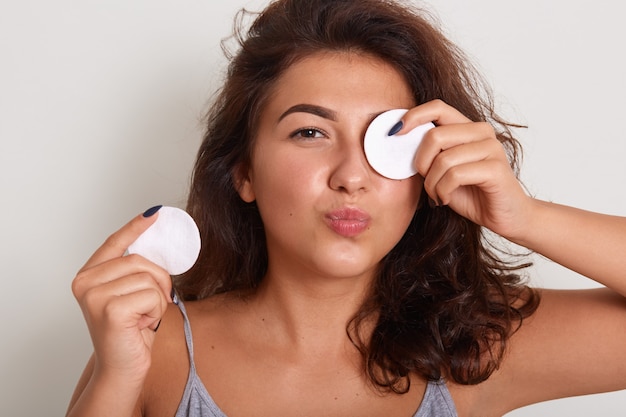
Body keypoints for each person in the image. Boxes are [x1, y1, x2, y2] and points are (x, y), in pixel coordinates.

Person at [66, 0, 626, 416]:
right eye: (310, 132)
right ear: (244, 173)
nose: (351, 176)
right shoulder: (154, 349)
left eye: (387, 141)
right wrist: (118, 376)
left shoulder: (474, 348)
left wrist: (525, 217)